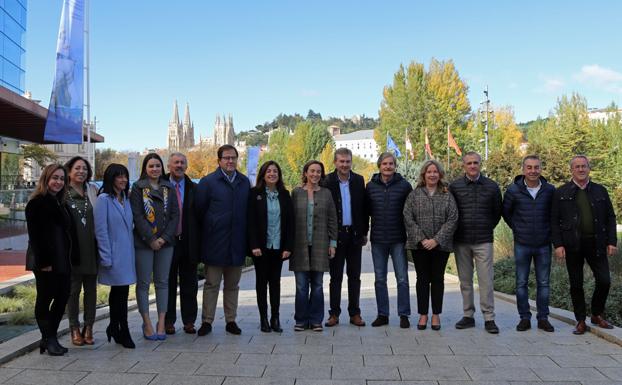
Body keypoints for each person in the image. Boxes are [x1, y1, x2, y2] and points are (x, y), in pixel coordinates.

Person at [551, 155, 618, 335]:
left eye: (584, 166)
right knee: (576, 283)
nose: (581, 169)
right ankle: (580, 320)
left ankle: (596, 313)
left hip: (597, 243)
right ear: (571, 170)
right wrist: (558, 245)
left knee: (604, 280)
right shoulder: (561, 192)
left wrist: (612, 241)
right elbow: (554, 221)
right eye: (577, 167)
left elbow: (611, 217)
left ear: (589, 169)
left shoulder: (600, 191)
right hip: (572, 244)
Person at [195, 145, 250, 336]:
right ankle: (207, 321)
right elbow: (199, 212)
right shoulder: (208, 182)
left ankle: (231, 320)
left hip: (236, 243)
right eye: (226, 158)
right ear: (219, 161)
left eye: (233, 157)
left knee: (232, 285)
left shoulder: (244, 182)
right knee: (211, 285)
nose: (230, 161)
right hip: (214, 242)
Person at [449, 151, 502, 334]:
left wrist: (486, 227)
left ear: (480, 164)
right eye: (469, 163)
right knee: (465, 281)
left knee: (486, 281)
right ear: (464, 165)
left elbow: (497, 213)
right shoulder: (455, 187)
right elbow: (451, 212)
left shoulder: (492, 186)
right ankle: (468, 315)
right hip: (461, 240)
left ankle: (489, 318)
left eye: (476, 163)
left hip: (483, 240)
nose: (472, 166)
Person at [502, 155, 556, 332]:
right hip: (522, 244)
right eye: (529, 167)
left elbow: (554, 216)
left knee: (544, 283)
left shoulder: (549, 190)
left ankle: (543, 318)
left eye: (536, 167)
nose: (533, 171)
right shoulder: (513, 190)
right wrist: (518, 228)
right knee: (521, 283)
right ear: (523, 169)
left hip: (543, 244)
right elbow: (506, 213)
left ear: (541, 169)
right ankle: (524, 317)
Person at [25, 164, 74, 356]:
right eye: (55, 178)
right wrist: (44, 262)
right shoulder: (36, 203)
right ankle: (50, 339)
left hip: (62, 258)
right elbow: (35, 236)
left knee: (62, 298)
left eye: (62, 179)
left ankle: (48, 338)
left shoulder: (60, 202)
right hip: (45, 260)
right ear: (46, 179)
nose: (59, 182)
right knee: (45, 299)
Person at [403, 160, 458, 330]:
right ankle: (423, 314)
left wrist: (436, 240)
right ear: (424, 175)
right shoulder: (415, 194)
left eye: (435, 172)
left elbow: (453, 218)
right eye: (429, 172)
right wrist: (422, 239)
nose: (432, 174)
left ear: (440, 174)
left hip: (440, 246)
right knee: (422, 280)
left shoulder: (447, 195)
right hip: (419, 246)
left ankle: (435, 315)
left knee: (437, 280)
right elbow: (407, 217)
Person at [130, 153, 179, 340]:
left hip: (166, 243)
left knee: (162, 282)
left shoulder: (169, 187)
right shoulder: (138, 188)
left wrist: (164, 238)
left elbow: (175, 215)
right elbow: (137, 216)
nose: (155, 169)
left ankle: (161, 321)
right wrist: (151, 239)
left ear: (162, 168)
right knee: (143, 283)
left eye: (158, 166)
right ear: (145, 168)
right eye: (151, 166)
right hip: (144, 243)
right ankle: (147, 322)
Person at [365, 152, 413, 328]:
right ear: (379, 165)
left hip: (398, 238)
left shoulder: (405, 186)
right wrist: (364, 233)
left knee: (402, 278)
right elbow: (365, 212)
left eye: (391, 164)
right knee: (380, 279)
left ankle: (404, 314)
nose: (388, 167)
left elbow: (410, 212)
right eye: (384, 164)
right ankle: (382, 314)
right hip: (378, 239)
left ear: (395, 166)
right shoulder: (370, 186)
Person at [247, 161, 295, 333]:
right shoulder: (254, 194)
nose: (272, 174)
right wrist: (253, 245)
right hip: (261, 247)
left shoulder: (285, 194)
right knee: (261, 282)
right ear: (263, 174)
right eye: (269, 171)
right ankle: (263, 319)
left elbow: (290, 223)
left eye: (275, 171)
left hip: (279, 246)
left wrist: (288, 246)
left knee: (275, 283)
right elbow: (250, 222)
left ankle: (276, 318)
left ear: (279, 175)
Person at [322, 148, 368, 328]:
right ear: (335, 162)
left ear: (351, 162)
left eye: (347, 161)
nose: (344, 165)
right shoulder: (328, 181)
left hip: (355, 235)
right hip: (336, 236)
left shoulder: (358, 180)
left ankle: (355, 313)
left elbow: (363, 209)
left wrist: (364, 232)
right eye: (341, 161)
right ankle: (334, 313)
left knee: (354, 276)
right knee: (336, 277)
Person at [290, 160, 338, 332]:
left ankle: (316, 320)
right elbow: (290, 220)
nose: (315, 174)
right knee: (301, 286)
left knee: (317, 285)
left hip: (320, 244)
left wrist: (333, 243)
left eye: (318, 171)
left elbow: (332, 219)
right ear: (305, 173)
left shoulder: (326, 193)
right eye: (312, 171)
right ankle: (301, 320)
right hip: (299, 246)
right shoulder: (296, 193)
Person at [94, 164, 136, 348]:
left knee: (122, 291)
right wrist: (106, 256)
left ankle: (114, 326)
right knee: (119, 291)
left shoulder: (125, 198)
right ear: (111, 179)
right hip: (113, 253)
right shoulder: (104, 199)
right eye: (119, 177)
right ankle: (122, 329)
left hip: (127, 253)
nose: (123, 180)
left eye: (125, 177)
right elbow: (100, 230)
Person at [64, 156, 99, 346]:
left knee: (91, 290)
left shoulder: (92, 191)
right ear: (69, 171)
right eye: (77, 168)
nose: (81, 172)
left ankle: (89, 327)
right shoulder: (63, 193)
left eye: (84, 169)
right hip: (73, 250)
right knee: (73, 290)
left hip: (91, 247)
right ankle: (74, 328)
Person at [164, 152, 199, 335]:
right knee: (167, 283)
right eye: (175, 162)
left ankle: (189, 321)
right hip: (167, 243)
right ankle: (168, 321)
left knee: (189, 284)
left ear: (186, 166)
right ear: (168, 165)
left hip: (188, 242)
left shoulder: (194, 188)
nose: (179, 165)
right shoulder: (159, 186)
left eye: (182, 163)